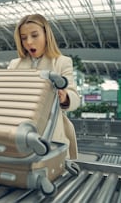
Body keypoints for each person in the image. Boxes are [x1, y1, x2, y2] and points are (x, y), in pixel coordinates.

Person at [7, 14, 80, 159]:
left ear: (46, 35)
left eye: (34, 35)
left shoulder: (62, 62)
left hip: (51, 131)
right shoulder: (14, 65)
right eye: (23, 38)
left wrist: (65, 98)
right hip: (21, 129)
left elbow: (75, 99)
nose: (28, 42)